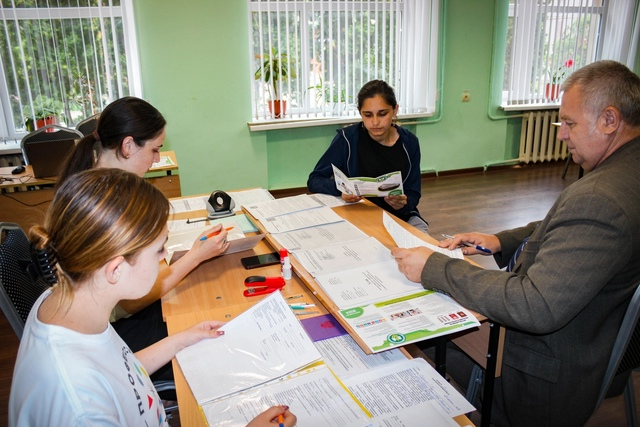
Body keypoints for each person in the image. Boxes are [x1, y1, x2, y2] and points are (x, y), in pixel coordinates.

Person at [391, 60, 640, 426]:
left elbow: (533, 304)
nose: (561, 135)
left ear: (609, 120)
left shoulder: (601, 197)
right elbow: (567, 226)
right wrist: (499, 241)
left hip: (539, 372)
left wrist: (434, 266)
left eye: (569, 123)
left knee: (415, 337)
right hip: (591, 338)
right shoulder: (625, 176)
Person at [9, 168, 296, 426]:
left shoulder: (70, 300)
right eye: (160, 251)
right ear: (116, 269)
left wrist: (182, 338)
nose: (164, 258)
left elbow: (122, 371)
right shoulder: (79, 407)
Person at [58, 96, 230, 381]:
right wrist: (195, 256)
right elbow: (130, 303)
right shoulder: (105, 204)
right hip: (118, 333)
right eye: (154, 149)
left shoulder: (90, 182)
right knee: (211, 326)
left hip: (103, 329)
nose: (157, 159)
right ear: (128, 146)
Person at [307, 80, 428, 233]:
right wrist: (341, 191)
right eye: (368, 115)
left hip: (399, 217)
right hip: (358, 215)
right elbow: (315, 180)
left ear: (395, 110)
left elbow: (413, 191)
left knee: (422, 249)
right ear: (360, 112)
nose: (375, 122)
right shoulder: (347, 139)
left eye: (383, 114)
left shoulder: (409, 142)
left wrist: (404, 203)